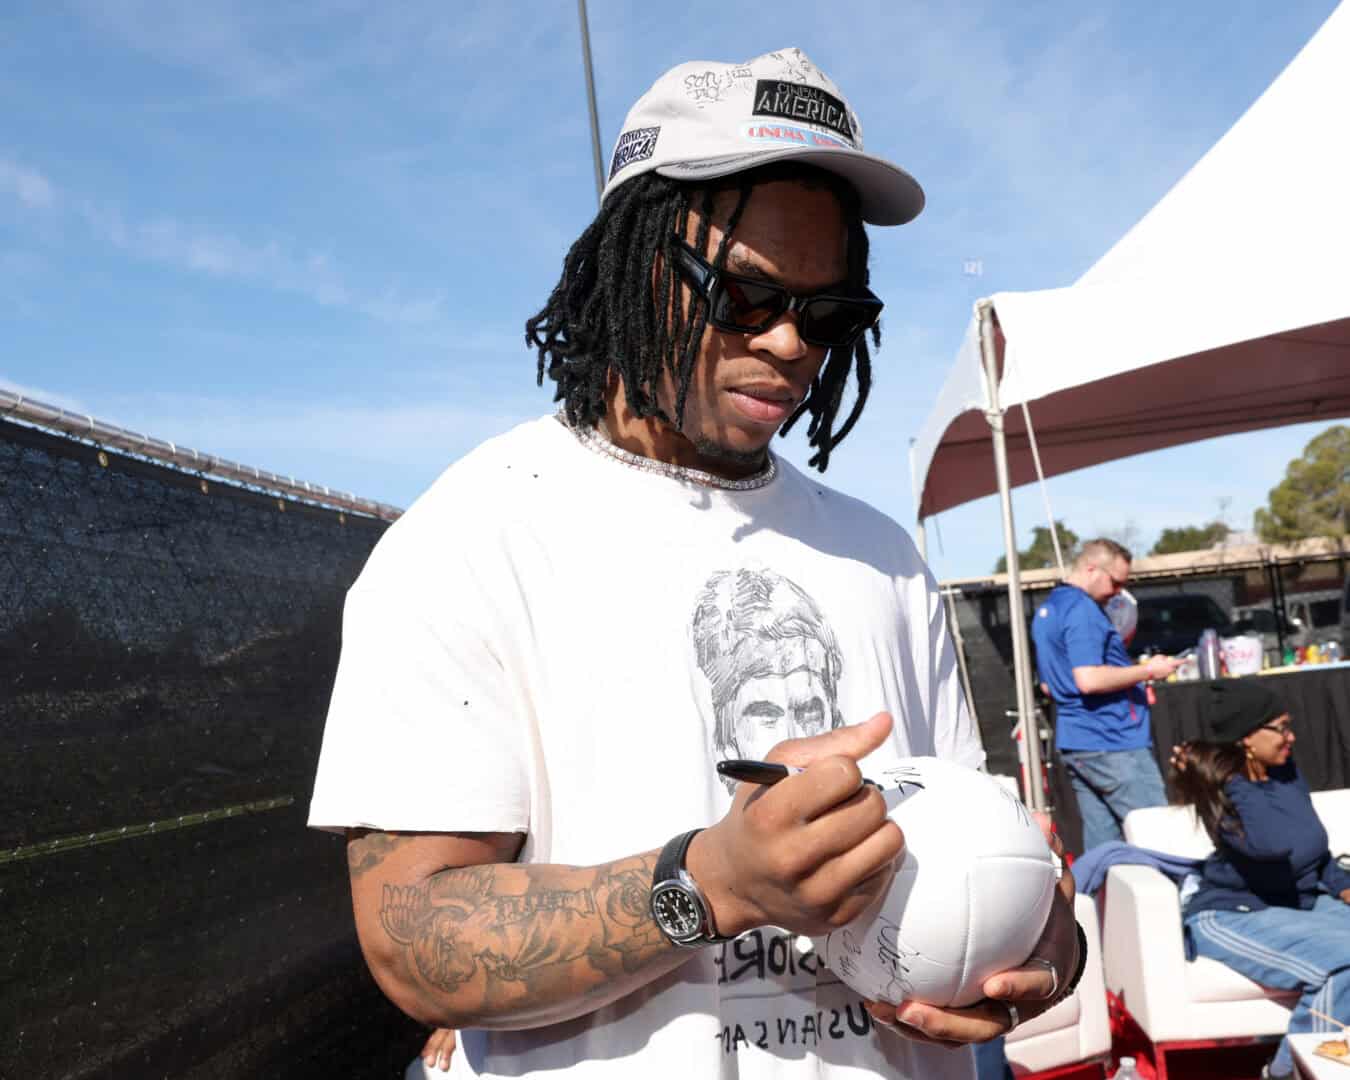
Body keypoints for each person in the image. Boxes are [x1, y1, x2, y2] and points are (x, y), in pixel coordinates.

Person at [309, 46, 1083, 1080]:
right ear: (632, 263)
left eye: (829, 315)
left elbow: (974, 843)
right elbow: (412, 937)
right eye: (744, 298)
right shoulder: (469, 539)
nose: (789, 347)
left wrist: (1044, 947)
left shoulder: (883, 554)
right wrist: (713, 885)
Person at [1172, 679, 1350, 1080]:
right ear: (1248, 738)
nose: (1291, 737)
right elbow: (1272, 845)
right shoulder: (1230, 793)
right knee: (1346, 964)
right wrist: (1235, 779)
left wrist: (1341, 885)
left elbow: (1314, 849)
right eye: (1281, 728)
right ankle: (1288, 1074)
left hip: (1296, 903)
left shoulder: (1287, 774)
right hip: (1234, 913)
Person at [1031, 539, 1183, 851]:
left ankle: (1096, 899)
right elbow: (1088, 679)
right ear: (1091, 569)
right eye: (1115, 582)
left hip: (1080, 741)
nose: (1117, 592)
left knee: (1106, 848)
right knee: (1159, 838)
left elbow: (1049, 685)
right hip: (1112, 741)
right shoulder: (1082, 610)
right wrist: (1147, 671)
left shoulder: (1049, 609)